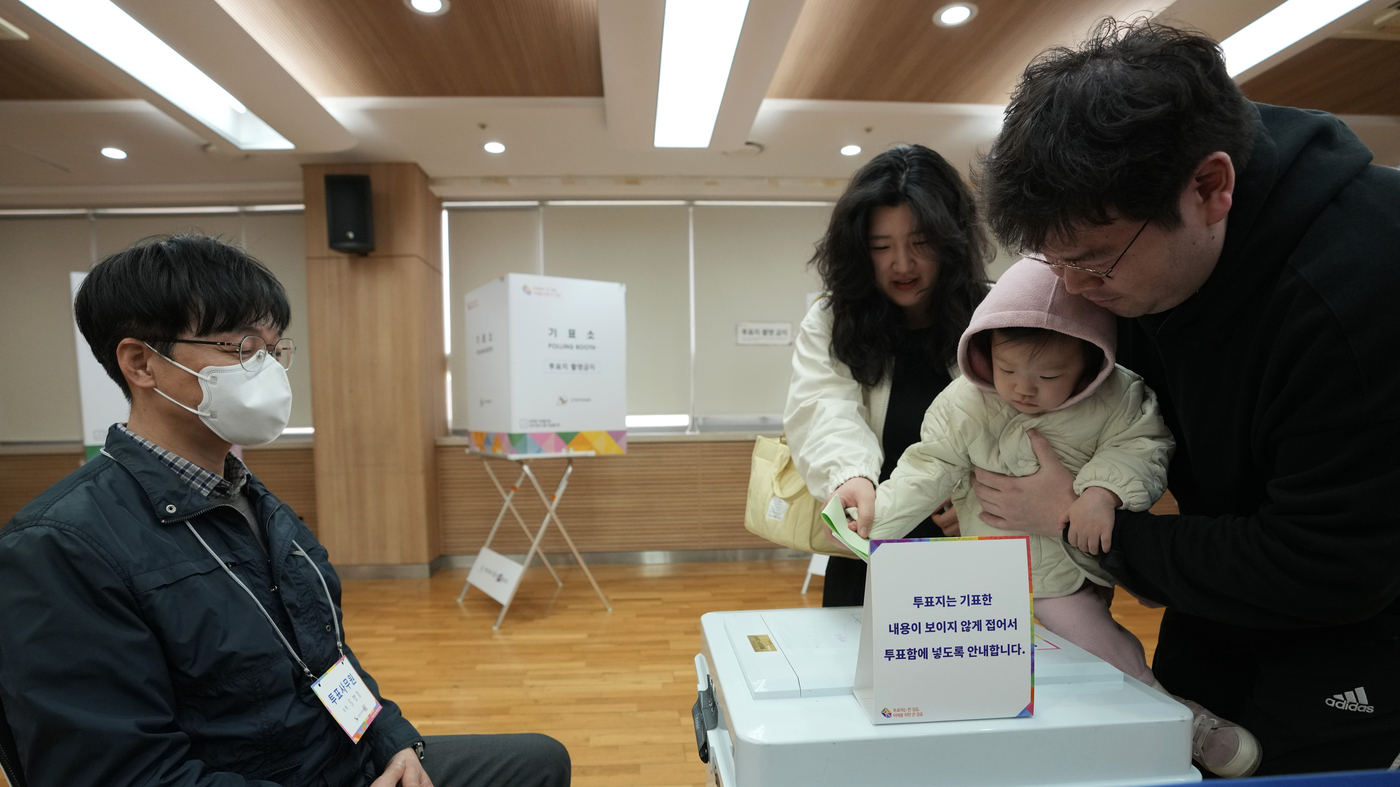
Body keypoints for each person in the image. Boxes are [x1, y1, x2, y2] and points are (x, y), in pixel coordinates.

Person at [973, 19, 1400, 774]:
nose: (1073, 289)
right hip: (1217, 601)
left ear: (1210, 187)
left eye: (1096, 265)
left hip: (1352, 625)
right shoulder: (1149, 256)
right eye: (1055, 261)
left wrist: (1071, 520)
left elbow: (1326, 565)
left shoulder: (1354, 294)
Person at [0, 235, 571, 787]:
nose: (269, 369)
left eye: (275, 350)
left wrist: (392, 739)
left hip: (338, 761)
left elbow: (324, 660)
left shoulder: (255, 503)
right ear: (141, 364)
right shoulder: (60, 546)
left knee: (538, 761)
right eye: (243, 348)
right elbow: (117, 773)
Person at [866, 259, 1258, 777]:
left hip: (1061, 579)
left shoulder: (1119, 397)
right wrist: (878, 519)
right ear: (984, 353)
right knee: (973, 683)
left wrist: (1102, 491)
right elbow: (927, 465)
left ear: (1089, 364)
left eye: (1048, 376)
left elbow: (1142, 444)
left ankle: (1186, 725)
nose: (1022, 390)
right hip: (981, 577)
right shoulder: (965, 402)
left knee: (1108, 656)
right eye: (1006, 370)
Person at [785, 143, 991, 607]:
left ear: (951, 240)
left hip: (976, 551)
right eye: (881, 247)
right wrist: (850, 475)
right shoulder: (833, 320)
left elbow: (1028, 417)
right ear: (859, 250)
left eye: (920, 244)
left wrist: (982, 498)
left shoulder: (991, 317)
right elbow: (822, 408)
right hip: (869, 546)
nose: (902, 264)